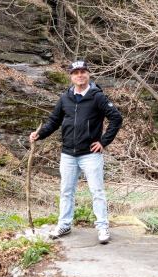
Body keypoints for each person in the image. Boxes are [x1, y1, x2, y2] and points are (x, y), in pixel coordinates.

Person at [29, 60, 122, 244]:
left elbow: (116, 118)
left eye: (83, 72)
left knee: (97, 191)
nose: (80, 75)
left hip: (90, 154)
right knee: (66, 191)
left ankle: (102, 227)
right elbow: (54, 121)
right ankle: (64, 224)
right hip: (68, 155)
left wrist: (103, 142)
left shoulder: (97, 97)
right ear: (71, 77)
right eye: (76, 72)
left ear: (88, 74)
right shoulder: (65, 98)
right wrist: (39, 134)